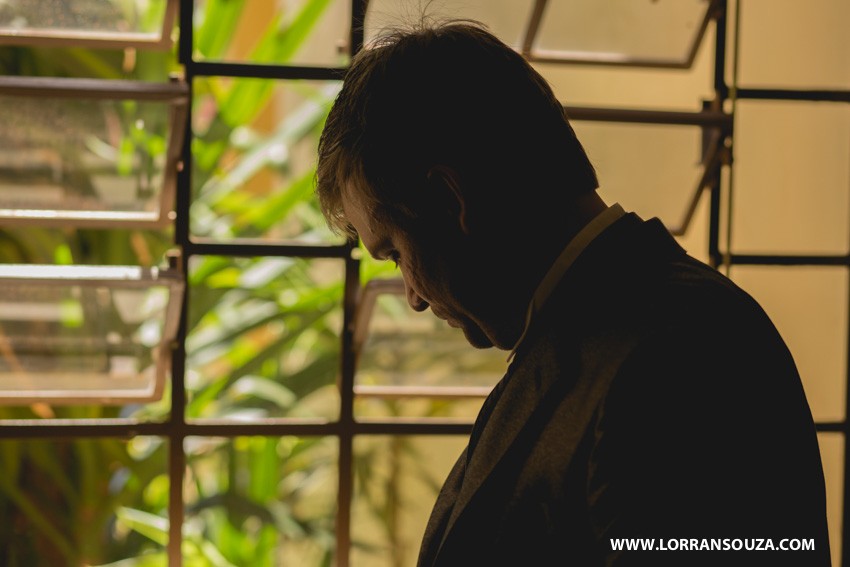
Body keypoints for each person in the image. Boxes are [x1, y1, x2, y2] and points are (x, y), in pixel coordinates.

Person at [315, 21, 831, 567]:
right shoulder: (612, 331)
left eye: (396, 253)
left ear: (449, 200)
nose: (413, 296)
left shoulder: (676, 357)